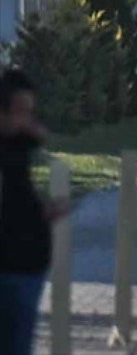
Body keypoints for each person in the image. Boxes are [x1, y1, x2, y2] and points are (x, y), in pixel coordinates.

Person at [0, 68, 59, 354]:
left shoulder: (17, 142)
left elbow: (36, 135)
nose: (26, 119)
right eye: (20, 110)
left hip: (27, 264)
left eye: (30, 111)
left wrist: (41, 211)